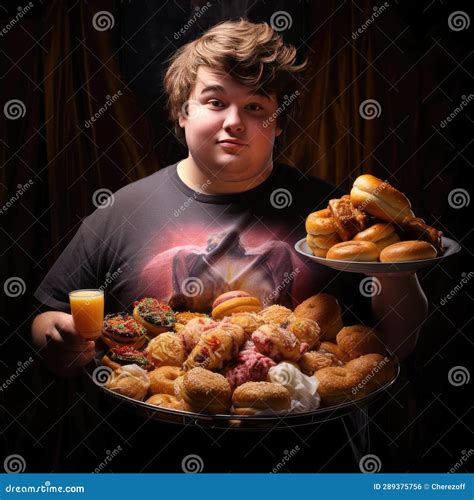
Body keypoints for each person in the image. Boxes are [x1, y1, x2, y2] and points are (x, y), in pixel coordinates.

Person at [30, 19, 428, 472]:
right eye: (215, 102)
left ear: (279, 123)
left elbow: (397, 342)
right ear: (182, 112)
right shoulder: (122, 210)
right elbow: (50, 312)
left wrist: (397, 258)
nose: (234, 122)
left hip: (314, 465)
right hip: (149, 465)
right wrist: (58, 337)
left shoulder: (335, 220)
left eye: (256, 106)